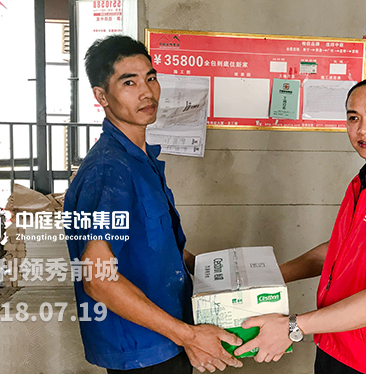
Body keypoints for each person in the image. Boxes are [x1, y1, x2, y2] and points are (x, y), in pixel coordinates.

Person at [233, 76, 366, 374]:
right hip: (333, 340)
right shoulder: (365, 182)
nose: (363, 129)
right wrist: (268, 278)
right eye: (353, 118)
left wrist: (293, 326)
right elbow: (339, 251)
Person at [64, 35, 242, 374]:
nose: (147, 92)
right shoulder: (109, 170)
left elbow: (152, 245)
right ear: (101, 96)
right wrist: (189, 336)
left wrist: (212, 270)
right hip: (142, 349)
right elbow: (98, 279)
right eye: (129, 82)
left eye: (151, 78)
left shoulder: (140, 160)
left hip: (169, 335)